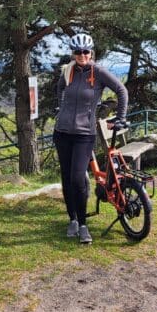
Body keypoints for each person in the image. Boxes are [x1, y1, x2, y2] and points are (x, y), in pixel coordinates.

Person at [54, 33, 128, 244]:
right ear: (73, 53)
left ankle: (84, 224)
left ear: (91, 52)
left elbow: (121, 90)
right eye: (78, 52)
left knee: (78, 178)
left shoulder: (99, 72)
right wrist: (60, 107)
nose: (82, 55)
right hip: (62, 132)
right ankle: (72, 220)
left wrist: (121, 118)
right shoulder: (68, 70)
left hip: (84, 134)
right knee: (67, 178)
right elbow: (59, 88)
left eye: (85, 51)